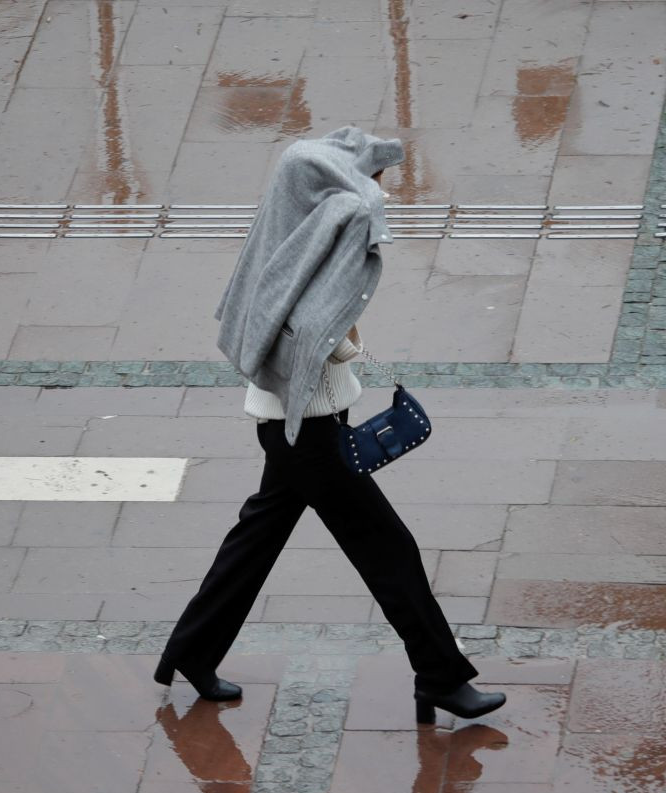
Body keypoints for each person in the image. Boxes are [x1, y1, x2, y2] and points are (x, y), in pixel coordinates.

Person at [154, 127, 506, 724]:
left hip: (291, 424)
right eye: (370, 179)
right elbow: (321, 343)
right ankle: (441, 676)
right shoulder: (320, 240)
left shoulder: (288, 236)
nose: (376, 189)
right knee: (388, 548)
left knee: (255, 540)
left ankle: (191, 651)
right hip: (307, 431)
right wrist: (349, 335)